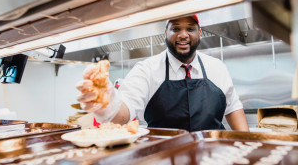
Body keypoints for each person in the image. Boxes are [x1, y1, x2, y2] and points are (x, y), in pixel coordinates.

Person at [77, 14, 249, 131]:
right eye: (175, 29)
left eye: (190, 28)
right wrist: (107, 105)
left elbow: (233, 108)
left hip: (215, 158)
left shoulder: (217, 67)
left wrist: (249, 146)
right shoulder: (147, 69)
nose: (183, 35)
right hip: (164, 158)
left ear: (200, 33)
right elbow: (125, 112)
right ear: (166, 33)